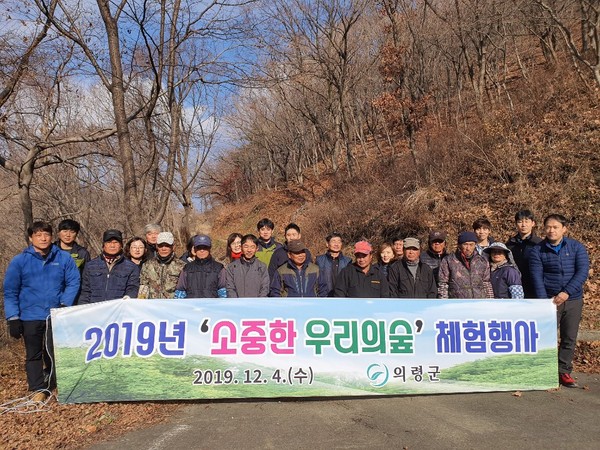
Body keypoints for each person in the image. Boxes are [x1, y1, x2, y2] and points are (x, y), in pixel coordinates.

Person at [4, 221, 80, 401]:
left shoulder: (62, 258)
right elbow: (10, 290)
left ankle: (59, 384)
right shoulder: (20, 261)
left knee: (56, 352)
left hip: (56, 315)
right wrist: (13, 317)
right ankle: (38, 388)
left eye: (46, 234)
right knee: (34, 354)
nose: (43, 238)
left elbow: (73, 282)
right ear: (31, 238)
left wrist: (64, 304)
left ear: (51, 237)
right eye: (38, 235)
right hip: (29, 315)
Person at [529, 214, 590, 388]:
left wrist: (566, 293)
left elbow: (582, 272)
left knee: (569, 336)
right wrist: (544, 302)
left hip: (572, 299)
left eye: (555, 227)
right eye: (548, 227)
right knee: (545, 337)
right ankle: (543, 371)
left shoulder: (576, 247)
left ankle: (564, 371)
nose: (551, 230)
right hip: (549, 300)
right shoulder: (538, 250)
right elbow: (537, 276)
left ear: (564, 229)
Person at [79, 229, 140, 304]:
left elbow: (132, 288)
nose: (112, 245)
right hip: (95, 309)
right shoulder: (91, 266)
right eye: (109, 242)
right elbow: (85, 291)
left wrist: (128, 298)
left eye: (116, 242)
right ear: (103, 245)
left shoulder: (131, 267)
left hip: (118, 309)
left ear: (121, 245)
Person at [438, 231, 494, 299]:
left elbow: (486, 283)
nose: (468, 248)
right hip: (457, 303)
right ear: (459, 245)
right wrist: (444, 303)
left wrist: (490, 301)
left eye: (471, 245)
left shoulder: (482, 261)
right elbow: (443, 284)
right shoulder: (448, 260)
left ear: (475, 245)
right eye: (465, 244)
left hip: (479, 303)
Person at [506, 210, 543, 298]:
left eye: (527, 221)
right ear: (516, 224)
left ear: (533, 223)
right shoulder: (510, 244)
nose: (523, 225)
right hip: (515, 286)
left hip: (535, 286)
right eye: (520, 222)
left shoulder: (539, 244)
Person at [139, 232, 186, 299]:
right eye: (161, 245)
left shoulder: (182, 266)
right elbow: (143, 287)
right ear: (157, 246)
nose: (164, 249)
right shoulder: (147, 265)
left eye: (167, 245)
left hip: (173, 306)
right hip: (152, 306)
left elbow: (183, 290)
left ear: (173, 247)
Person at [315, 232, 351, 297]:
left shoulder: (348, 261)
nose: (336, 244)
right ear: (327, 244)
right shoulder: (319, 260)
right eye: (333, 241)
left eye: (339, 242)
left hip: (342, 298)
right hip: (325, 297)